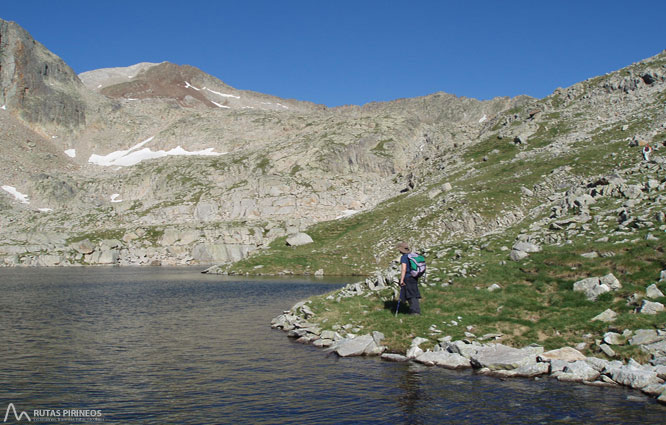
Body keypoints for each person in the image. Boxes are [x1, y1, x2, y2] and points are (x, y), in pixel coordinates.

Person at [397, 242, 421, 315]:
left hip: (408, 277)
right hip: (414, 276)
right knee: (414, 293)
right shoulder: (411, 255)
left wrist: (401, 280)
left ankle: (415, 311)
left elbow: (403, 269)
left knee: (410, 294)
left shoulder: (404, 257)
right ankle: (414, 310)